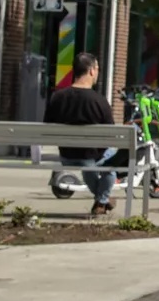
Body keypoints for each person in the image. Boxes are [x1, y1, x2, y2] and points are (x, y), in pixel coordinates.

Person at [43, 52, 121, 215]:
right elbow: (111, 133)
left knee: (89, 164)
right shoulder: (99, 101)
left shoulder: (57, 97)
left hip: (66, 155)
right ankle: (102, 199)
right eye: (98, 68)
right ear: (92, 70)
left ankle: (102, 200)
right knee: (113, 162)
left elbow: (47, 126)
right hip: (91, 156)